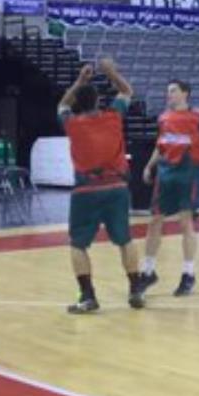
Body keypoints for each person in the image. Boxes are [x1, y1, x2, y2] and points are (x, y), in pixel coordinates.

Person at [58, 58, 142, 314]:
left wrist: (80, 81)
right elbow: (127, 91)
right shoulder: (113, 117)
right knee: (125, 240)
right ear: (97, 101)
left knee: (78, 245)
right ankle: (135, 289)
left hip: (86, 190)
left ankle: (88, 295)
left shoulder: (71, 124)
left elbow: (62, 104)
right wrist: (110, 72)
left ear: (78, 104)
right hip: (116, 187)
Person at [139, 80, 199, 297]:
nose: (169, 94)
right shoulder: (163, 118)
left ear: (185, 93)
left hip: (187, 174)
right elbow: (161, 144)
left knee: (185, 222)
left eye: (173, 90)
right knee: (154, 221)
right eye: (168, 91)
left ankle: (188, 274)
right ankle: (148, 271)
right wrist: (149, 165)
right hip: (165, 175)